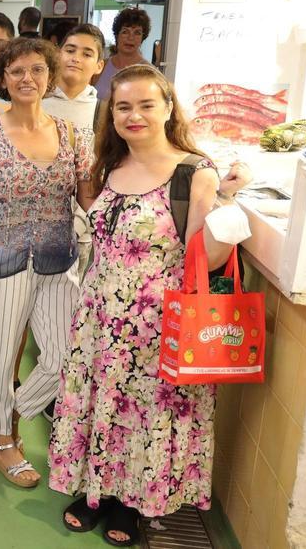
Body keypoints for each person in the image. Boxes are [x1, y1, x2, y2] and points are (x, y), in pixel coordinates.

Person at [49, 64, 251, 546]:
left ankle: (133, 503)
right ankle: (96, 490)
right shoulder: (110, 164)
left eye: (146, 104)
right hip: (100, 316)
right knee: (103, 406)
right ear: (111, 114)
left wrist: (227, 200)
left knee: (142, 415)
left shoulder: (193, 173)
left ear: (167, 109)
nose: (134, 115)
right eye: (123, 106)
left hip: (156, 324)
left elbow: (210, 255)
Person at [0, 36, 96, 489]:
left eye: (36, 69)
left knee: (63, 356)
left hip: (58, 259)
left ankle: (8, 408)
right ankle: (2, 443)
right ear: (3, 80)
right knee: (1, 353)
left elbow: (89, 198)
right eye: (16, 72)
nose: (27, 78)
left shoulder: (75, 135)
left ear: (50, 76)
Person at [43, 24, 107, 130]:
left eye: (86, 54)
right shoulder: (35, 101)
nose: (76, 58)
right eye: (70, 51)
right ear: (58, 55)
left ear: (99, 66)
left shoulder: (104, 112)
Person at [93, 7, 152, 102]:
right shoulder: (101, 66)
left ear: (143, 38)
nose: (130, 37)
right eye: (125, 32)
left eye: (137, 33)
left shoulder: (149, 72)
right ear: (117, 35)